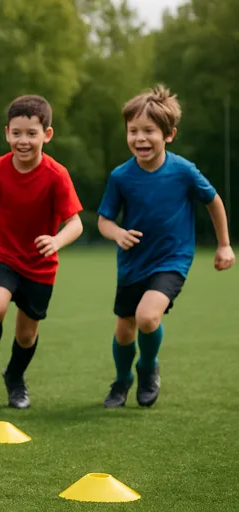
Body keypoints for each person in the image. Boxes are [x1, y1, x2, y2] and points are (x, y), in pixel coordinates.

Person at [98, 84, 235, 408]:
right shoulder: (121, 176)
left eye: (149, 131)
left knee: (147, 317)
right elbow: (104, 220)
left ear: (169, 134)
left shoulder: (183, 171)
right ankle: (122, 381)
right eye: (133, 131)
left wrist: (224, 245)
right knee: (124, 329)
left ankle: (147, 369)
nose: (140, 138)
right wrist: (117, 233)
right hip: (132, 263)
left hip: (172, 259)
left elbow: (213, 201)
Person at [0, 95, 83, 409]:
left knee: (26, 336)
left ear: (47, 135)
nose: (23, 141)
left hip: (40, 266)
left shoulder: (56, 175)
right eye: (16, 133)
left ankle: (15, 376)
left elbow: (75, 224)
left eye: (31, 134)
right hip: (2, 255)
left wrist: (56, 242)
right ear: (7, 133)